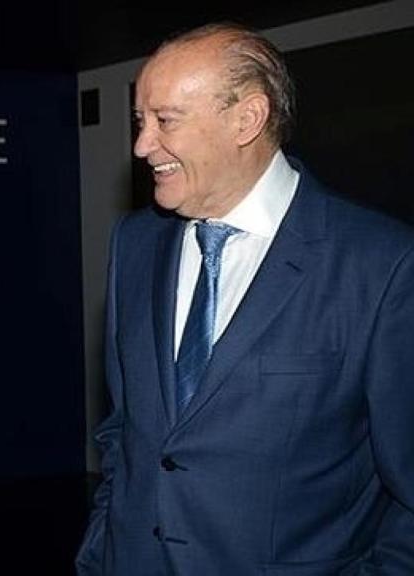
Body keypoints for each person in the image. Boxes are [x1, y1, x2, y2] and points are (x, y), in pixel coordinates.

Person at [76, 22, 414, 575]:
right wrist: (99, 555)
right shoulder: (135, 244)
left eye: (166, 120)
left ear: (247, 119)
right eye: (141, 121)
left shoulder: (382, 266)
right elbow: (126, 435)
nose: (141, 145)